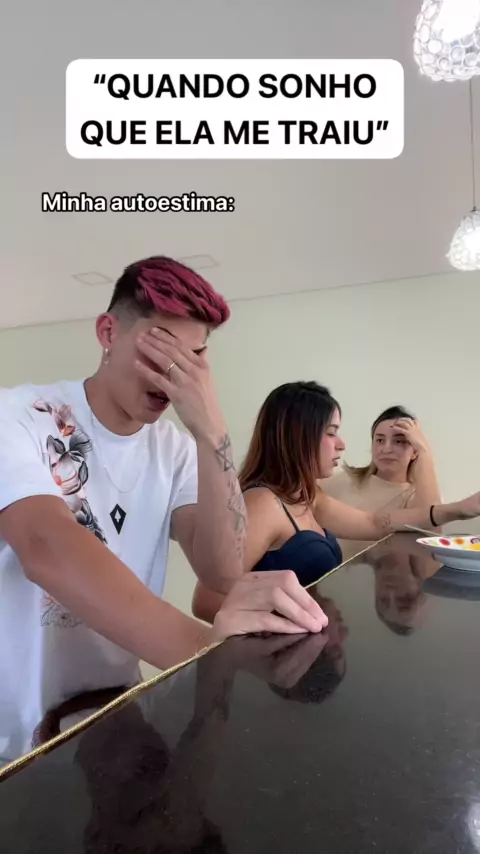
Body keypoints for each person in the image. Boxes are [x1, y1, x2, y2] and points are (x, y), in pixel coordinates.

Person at [0, 258, 328, 766]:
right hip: (14, 736)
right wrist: (207, 649)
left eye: (191, 358)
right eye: (158, 349)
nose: (170, 377)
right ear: (108, 332)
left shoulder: (174, 450)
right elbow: (45, 546)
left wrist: (212, 431)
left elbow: (222, 570)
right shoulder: (18, 414)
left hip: (114, 721)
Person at [192, 381, 480, 623]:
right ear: (299, 437)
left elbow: (374, 523)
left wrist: (458, 510)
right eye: (331, 433)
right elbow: (206, 601)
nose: (341, 444)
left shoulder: (308, 496)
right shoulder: (263, 504)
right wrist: (291, 620)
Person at [321, 405, 442, 558]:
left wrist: (425, 452)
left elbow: (432, 532)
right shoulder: (344, 479)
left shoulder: (415, 497)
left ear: (415, 451)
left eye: (399, 441)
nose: (386, 449)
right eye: (379, 440)